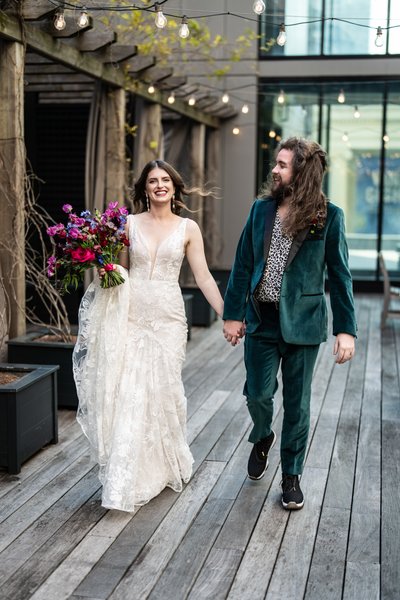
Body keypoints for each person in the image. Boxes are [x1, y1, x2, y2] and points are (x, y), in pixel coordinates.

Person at [73, 159, 223, 512]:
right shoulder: (128, 224)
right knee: (131, 390)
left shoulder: (188, 228)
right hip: (132, 313)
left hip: (169, 318)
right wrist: (105, 265)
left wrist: (227, 313)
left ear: (174, 187)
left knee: (164, 388)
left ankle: (164, 460)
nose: (159, 185)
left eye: (165, 180)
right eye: (153, 180)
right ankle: (128, 474)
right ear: (144, 189)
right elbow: (117, 266)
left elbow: (202, 276)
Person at [222, 137, 357, 510]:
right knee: (257, 394)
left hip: (304, 325)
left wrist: (346, 329)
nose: (275, 170)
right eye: (276, 164)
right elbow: (243, 264)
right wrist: (233, 315)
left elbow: (340, 276)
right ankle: (262, 435)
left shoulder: (329, 216)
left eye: (282, 165)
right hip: (261, 322)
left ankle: (291, 475)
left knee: (297, 405)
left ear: (302, 171)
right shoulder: (260, 210)